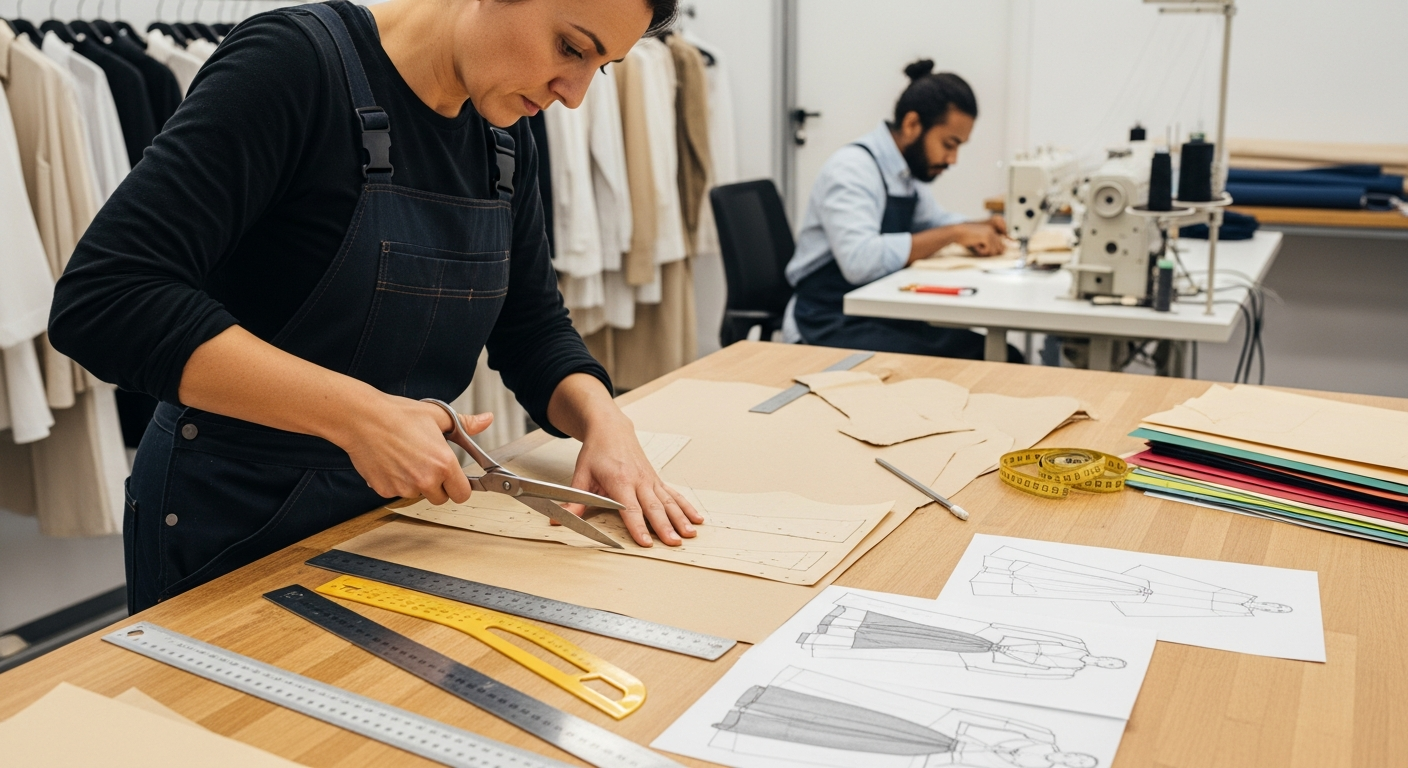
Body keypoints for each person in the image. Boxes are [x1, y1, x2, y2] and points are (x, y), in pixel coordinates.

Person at [48, 0, 701, 615]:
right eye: (570, 48)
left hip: (395, 523)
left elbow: (531, 328)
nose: (575, 93)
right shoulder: (294, 66)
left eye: (600, 66)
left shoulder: (503, 139)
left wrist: (605, 422)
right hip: (230, 524)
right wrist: (361, 418)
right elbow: (108, 298)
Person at [782, 60, 1019, 361]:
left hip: (876, 312)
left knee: (1001, 355)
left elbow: (932, 222)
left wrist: (978, 226)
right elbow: (860, 261)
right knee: (979, 361)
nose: (953, 159)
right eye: (949, 144)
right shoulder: (852, 169)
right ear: (912, 124)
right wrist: (956, 233)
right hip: (827, 318)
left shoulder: (906, 171)